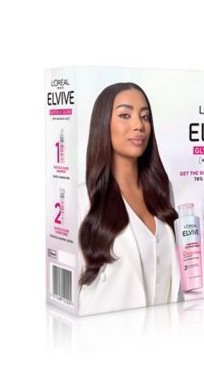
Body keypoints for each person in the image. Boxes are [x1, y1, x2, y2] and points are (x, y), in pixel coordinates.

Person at [77, 82, 182, 315]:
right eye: (125, 115)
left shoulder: (163, 192)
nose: (138, 125)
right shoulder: (82, 201)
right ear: (103, 123)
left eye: (145, 117)